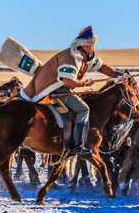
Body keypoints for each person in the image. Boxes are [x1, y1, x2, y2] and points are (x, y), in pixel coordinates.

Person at [19, 26, 124, 154]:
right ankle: (77, 145)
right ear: (83, 46)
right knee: (83, 109)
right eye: (91, 45)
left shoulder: (86, 56)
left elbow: (101, 66)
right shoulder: (71, 58)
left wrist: (114, 74)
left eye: (93, 45)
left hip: (61, 87)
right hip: (54, 89)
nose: (93, 48)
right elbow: (67, 81)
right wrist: (83, 83)